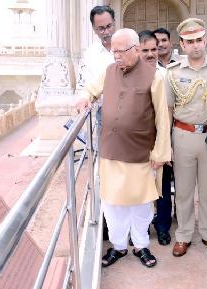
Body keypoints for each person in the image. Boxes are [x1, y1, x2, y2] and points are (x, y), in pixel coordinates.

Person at [76, 28, 171, 268]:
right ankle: (118, 247)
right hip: (111, 149)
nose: (116, 56)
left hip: (140, 152)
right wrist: (84, 97)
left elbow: (162, 117)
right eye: (113, 51)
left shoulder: (154, 76)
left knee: (141, 204)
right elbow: (91, 89)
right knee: (112, 202)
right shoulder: (109, 71)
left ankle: (141, 246)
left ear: (136, 49)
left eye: (120, 51)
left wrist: (160, 153)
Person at [165, 18, 207, 257]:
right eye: (189, 41)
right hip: (182, 135)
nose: (195, 45)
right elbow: (168, 110)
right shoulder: (172, 72)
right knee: (183, 191)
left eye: (199, 40)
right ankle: (183, 235)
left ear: (205, 40)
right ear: (182, 44)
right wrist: (167, 144)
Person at [79, 5, 116, 241]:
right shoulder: (90, 55)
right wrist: (83, 99)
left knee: (130, 170)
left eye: (109, 26)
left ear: (115, 22)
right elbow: (85, 86)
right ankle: (106, 221)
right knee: (106, 170)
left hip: (131, 118)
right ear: (94, 29)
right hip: (103, 117)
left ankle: (131, 227)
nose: (106, 32)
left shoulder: (127, 45)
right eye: (100, 28)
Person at [138, 30, 173, 246]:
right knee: (140, 188)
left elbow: (169, 111)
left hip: (161, 139)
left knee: (163, 188)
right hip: (138, 144)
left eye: (154, 49)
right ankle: (140, 230)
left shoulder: (166, 74)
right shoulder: (129, 74)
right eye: (146, 50)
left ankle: (162, 228)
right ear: (137, 51)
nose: (151, 54)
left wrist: (167, 145)